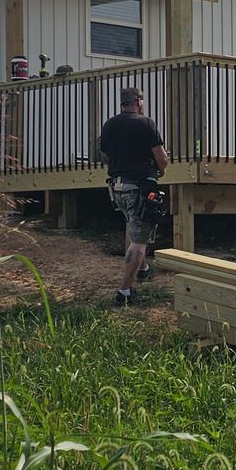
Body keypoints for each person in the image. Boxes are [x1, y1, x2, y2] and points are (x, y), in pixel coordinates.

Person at [98, 85, 169, 306]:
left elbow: (104, 156)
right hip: (139, 187)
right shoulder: (146, 123)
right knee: (139, 239)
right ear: (138, 101)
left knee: (135, 226)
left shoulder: (110, 124)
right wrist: (162, 171)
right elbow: (161, 158)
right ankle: (124, 292)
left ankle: (143, 269)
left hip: (117, 188)